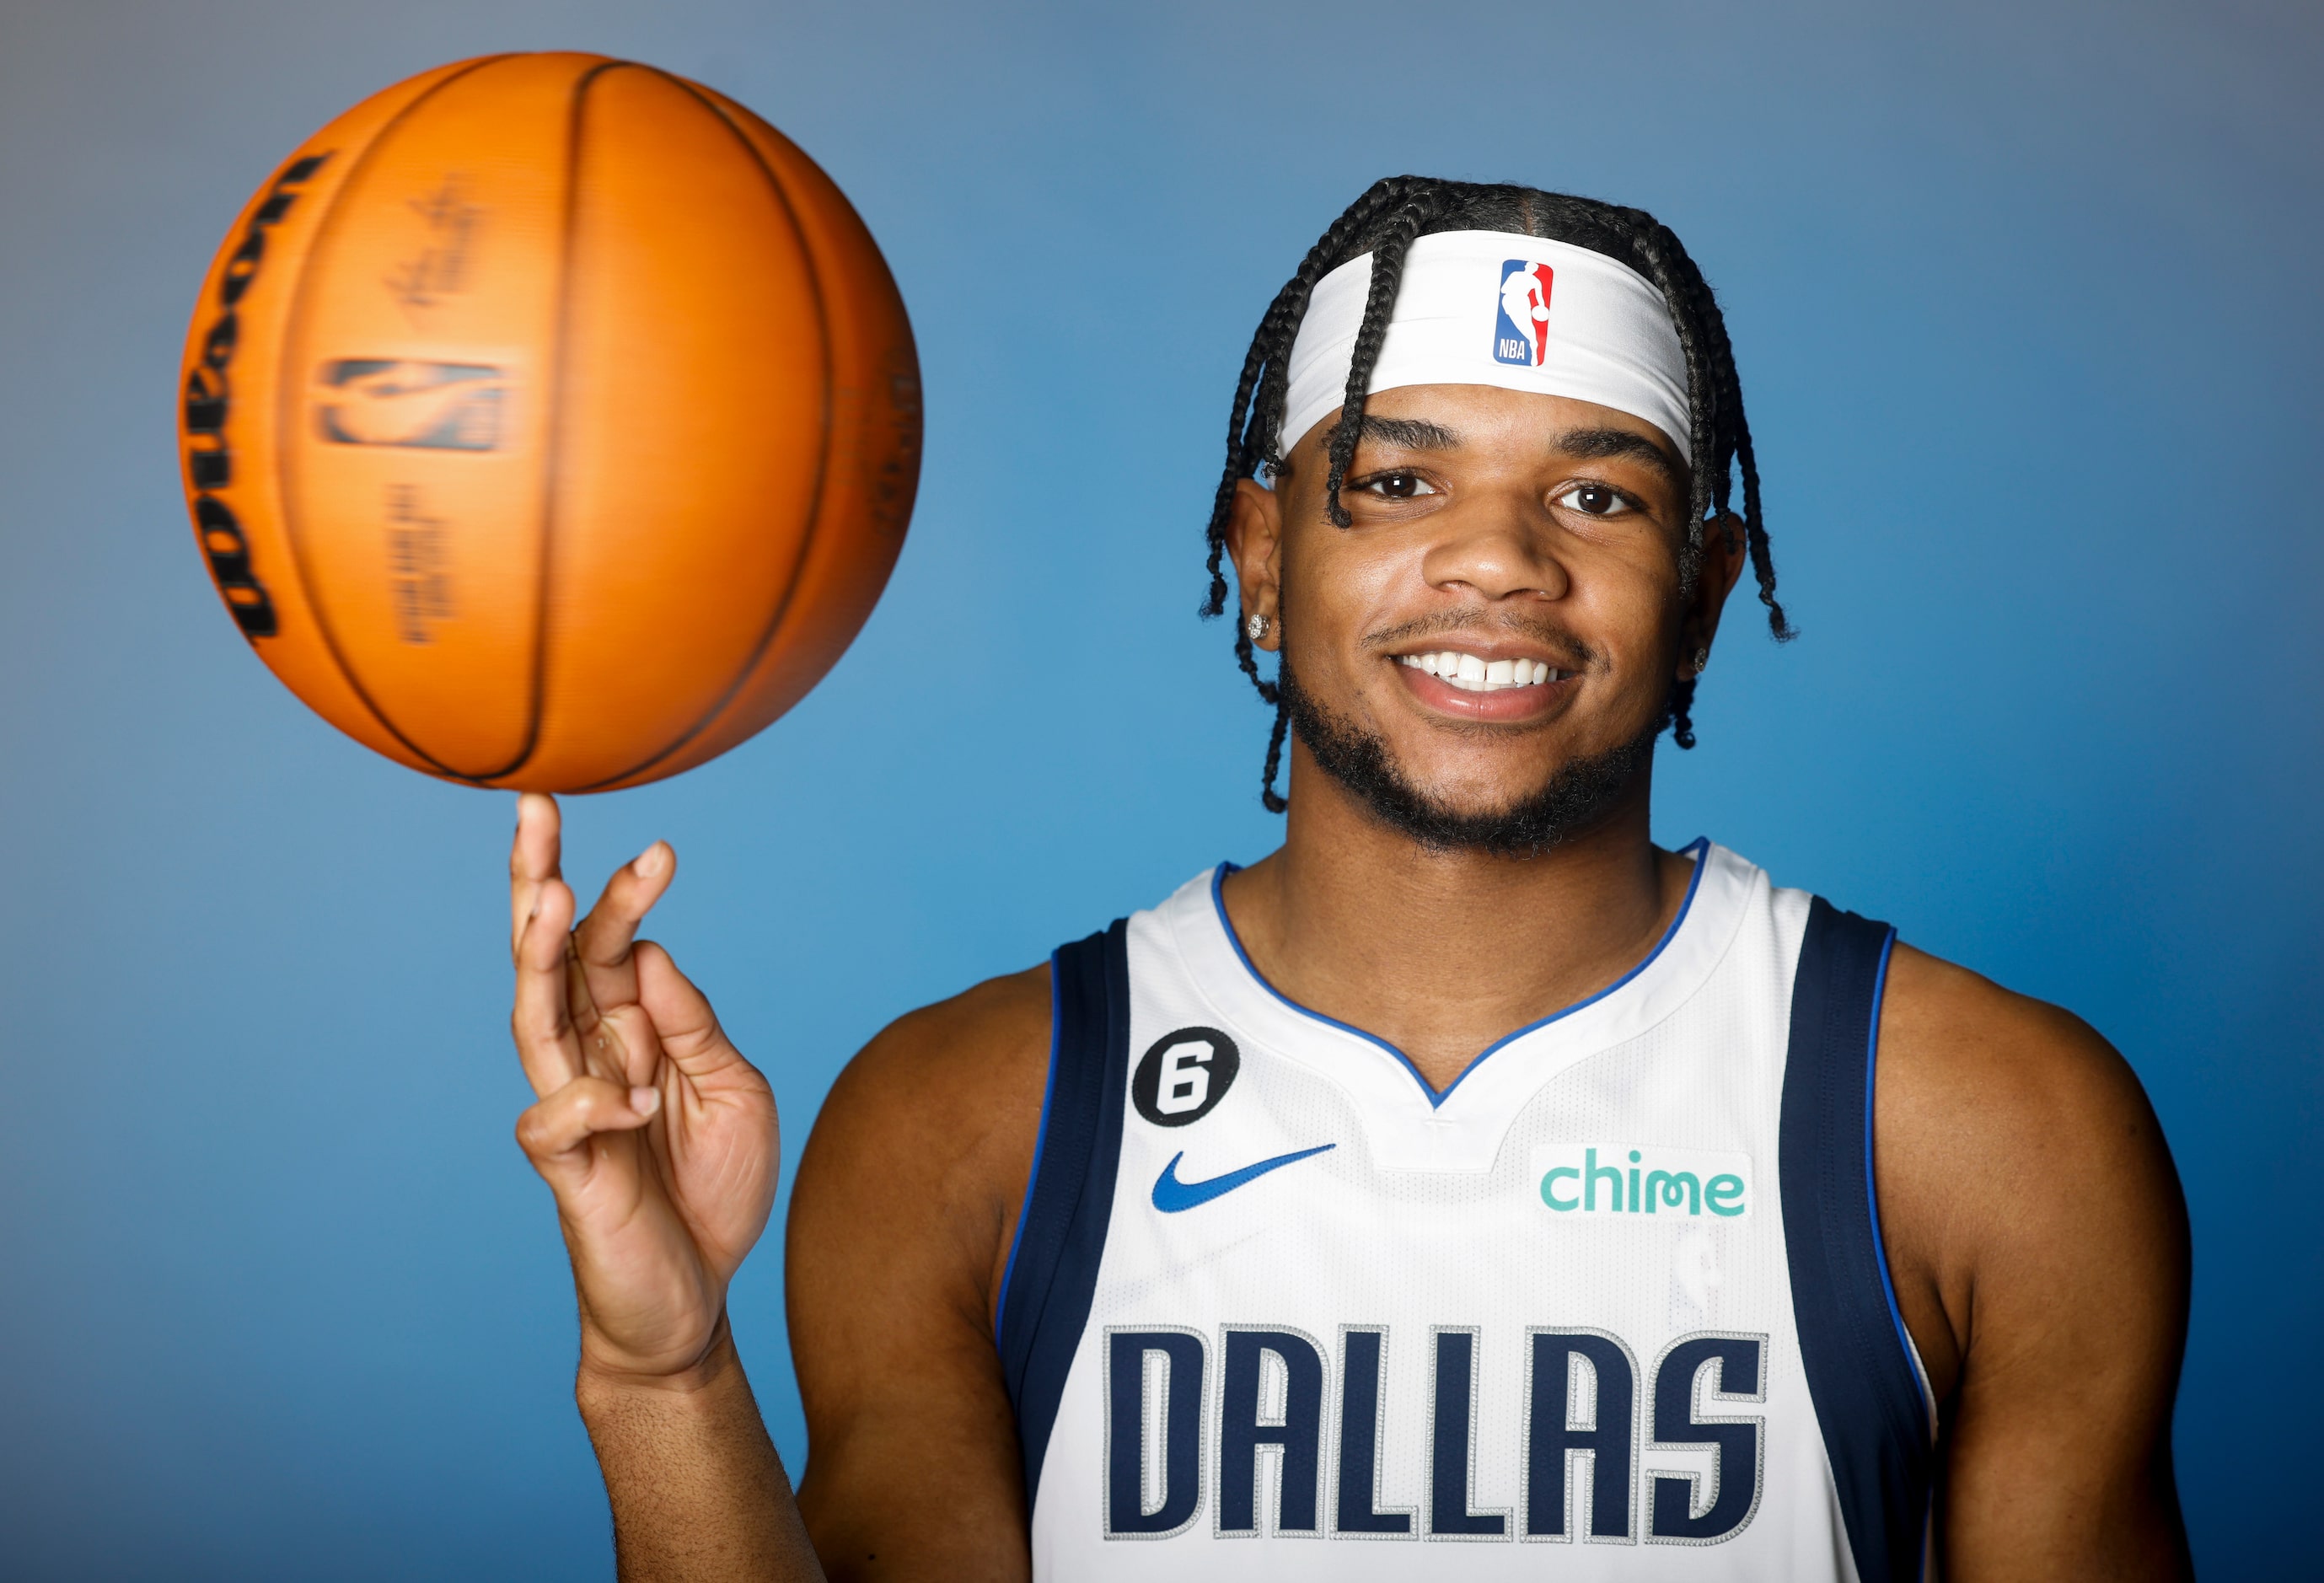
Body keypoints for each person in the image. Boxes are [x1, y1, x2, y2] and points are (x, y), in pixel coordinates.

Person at [503, 178, 2192, 1581]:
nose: (1496, 558)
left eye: (1595, 494)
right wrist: (664, 1374)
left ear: (1699, 589)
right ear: (1258, 556)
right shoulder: (966, 1121)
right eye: (1396, 481)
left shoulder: (1981, 1128)